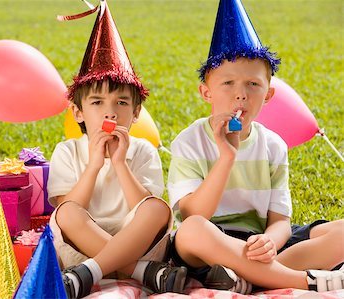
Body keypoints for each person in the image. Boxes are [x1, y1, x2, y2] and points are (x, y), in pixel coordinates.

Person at [167, 0, 344, 294]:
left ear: (269, 94)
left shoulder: (273, 145)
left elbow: (281, 222)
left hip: (260, 242)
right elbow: (193, 214)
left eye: (253, 84)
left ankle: (255, 276)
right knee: (191, 231)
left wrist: (269, 243)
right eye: (228, 83)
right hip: (212, 246)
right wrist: (227, 156)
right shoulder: (189, 141)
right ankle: (301, 280)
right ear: (206, 92)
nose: (241, 95)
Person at [48, 1, 187, 298]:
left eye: (121, 103)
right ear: (78, 112)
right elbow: (68, 208)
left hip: (137, 243)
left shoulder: (143, 151)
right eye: (97, 103)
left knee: (155, 208)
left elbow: (144, 209)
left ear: (136, 113)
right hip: (81, 249)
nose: (109, 113)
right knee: (67, 212)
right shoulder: (68, 151)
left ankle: (93, 273)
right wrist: (95, 165)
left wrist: (121, 164)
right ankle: (139, 273)